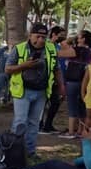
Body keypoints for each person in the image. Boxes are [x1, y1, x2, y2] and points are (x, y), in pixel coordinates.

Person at [5, 22, 63, 158]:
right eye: (38, 36)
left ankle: (30, 152)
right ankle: (14, 152)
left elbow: (56, 69)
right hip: (23, 92)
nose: (41, 40)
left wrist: (61, 86)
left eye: (44, 37)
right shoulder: (19, 49)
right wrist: (24, 65)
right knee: (20, 122)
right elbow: (7, 69)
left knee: (34, 123)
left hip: (41, 92)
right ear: (30, 36)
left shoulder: (51, 49)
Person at [59, 31, 91, 139]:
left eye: (79, 36)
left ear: (83, 39)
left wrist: (72, 38)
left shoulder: (74, 50)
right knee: (81, 105)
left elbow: (62, 46)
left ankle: (70, 131)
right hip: (84, 80)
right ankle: (80, 130)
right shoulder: (90, 52)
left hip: (72, 80)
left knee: (71, 106)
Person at [39, 26, 70, 134]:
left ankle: (48, 125)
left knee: (55, 102)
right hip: (46, 78)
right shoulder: (46, 44)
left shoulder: (58, 46)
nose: (63, 37)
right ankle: (39, 125)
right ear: (54, 34)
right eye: (61, 34)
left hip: (56, 78)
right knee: (43, 102)